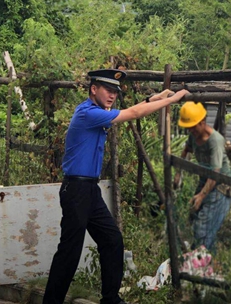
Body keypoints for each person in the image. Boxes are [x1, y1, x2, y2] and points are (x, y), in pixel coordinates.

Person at [43, 69, 189, 304]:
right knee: (70, 252)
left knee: (112, 240)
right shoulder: (87, 114)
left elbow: (129, 109)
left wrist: (158, 96)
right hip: (76, 191)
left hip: (90, 190)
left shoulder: (99, 112)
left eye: (115, 92)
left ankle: (110, 299)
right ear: (94, 89)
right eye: (108, 90)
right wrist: (171, 100)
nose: (112, 96)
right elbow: (132, 113)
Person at [175, 101, 231, 252]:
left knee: (203, 227)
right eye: (188, 127)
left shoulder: (215, 141)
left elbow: (215, 173)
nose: (191, 130)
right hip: (205, 180)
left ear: (202, 122)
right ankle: (205, 259)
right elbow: (185, 151)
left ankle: (200, 263)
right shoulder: (193, 137)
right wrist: (178, 173)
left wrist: (201, 196)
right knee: (194, 218)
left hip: (221, 186)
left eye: (193, 126)